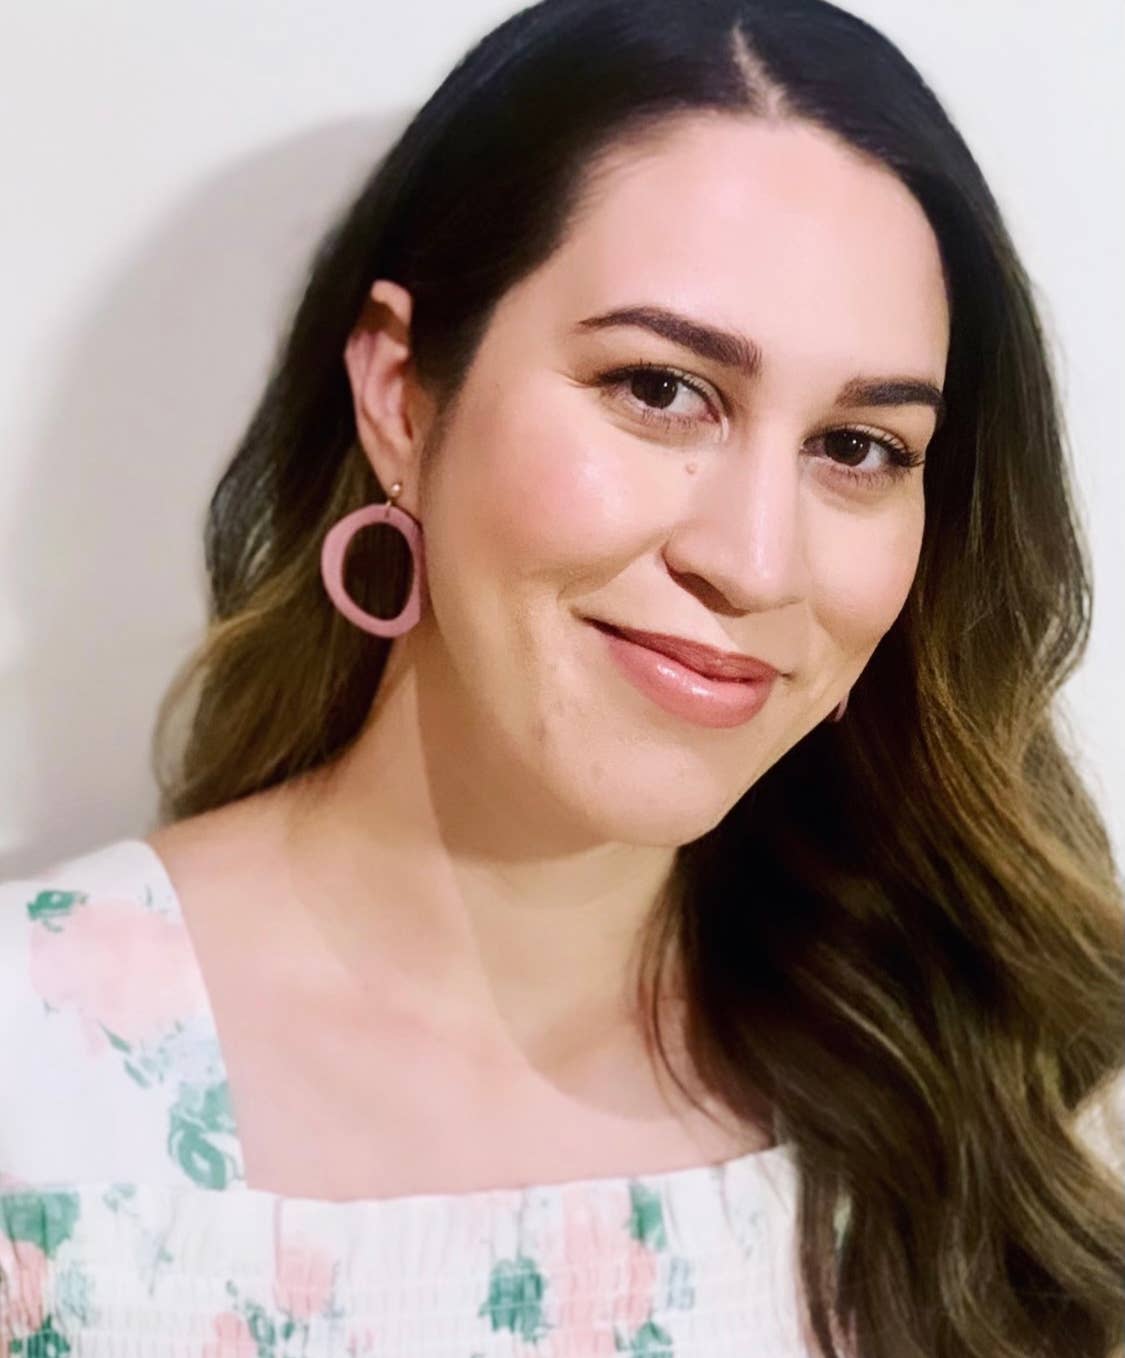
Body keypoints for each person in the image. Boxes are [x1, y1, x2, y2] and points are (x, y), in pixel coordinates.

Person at [2, 0, 1122, 1353]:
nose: (754, 562)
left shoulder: (1019, 1107)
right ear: (401, 394)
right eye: (659, 388)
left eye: (857, 448)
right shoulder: (34, 1088)